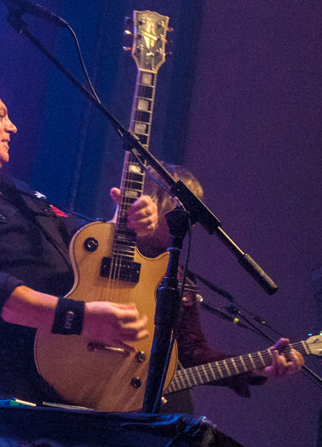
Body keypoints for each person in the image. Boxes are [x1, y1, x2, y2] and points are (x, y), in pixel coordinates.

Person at [0, 71, 302, 406]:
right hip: (5, 376)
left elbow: (94, 242)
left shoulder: (22, 195)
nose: (13, 126)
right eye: (0, 115)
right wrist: (82, 316)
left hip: (70, 373)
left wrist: (132, 219)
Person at [119, 164, 303, 413]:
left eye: (193, 213)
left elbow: (194, 354)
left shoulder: (180, 279)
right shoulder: (106, 251)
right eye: (180, 208)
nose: (190, 222)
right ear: (153, 204)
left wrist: (260, 364)